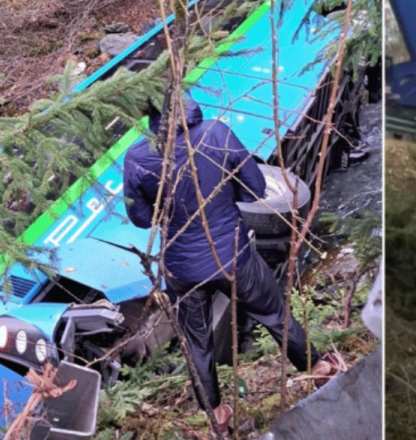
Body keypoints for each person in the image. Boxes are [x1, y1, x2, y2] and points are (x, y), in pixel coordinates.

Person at [123, 97, 333, 437]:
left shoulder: (136, 156)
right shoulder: (217, 133)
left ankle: (218, 417)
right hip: (232, 258)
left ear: (145, 111)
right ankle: (319, 369)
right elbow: (256, 188)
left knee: (196, 343)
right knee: (275, 315)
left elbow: (142, 219)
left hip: (181, 269)